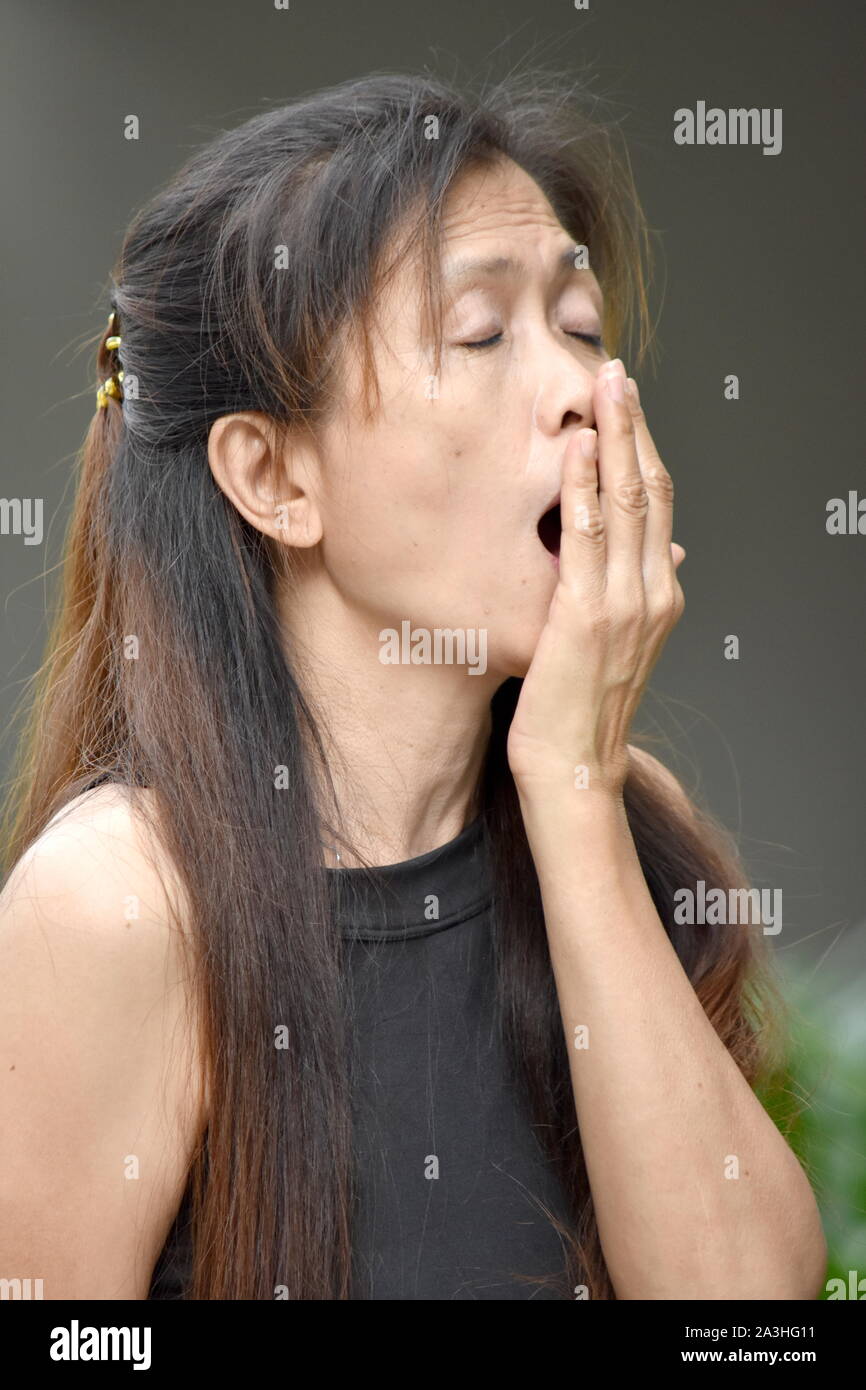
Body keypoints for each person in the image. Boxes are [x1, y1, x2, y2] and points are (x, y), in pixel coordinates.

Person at [0, 70, 826, 1300]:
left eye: (583, 328)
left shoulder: (611, 809)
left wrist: (573, 793)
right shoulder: (116, 905)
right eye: (482, 335)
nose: (584, 395)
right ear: (274, 476)